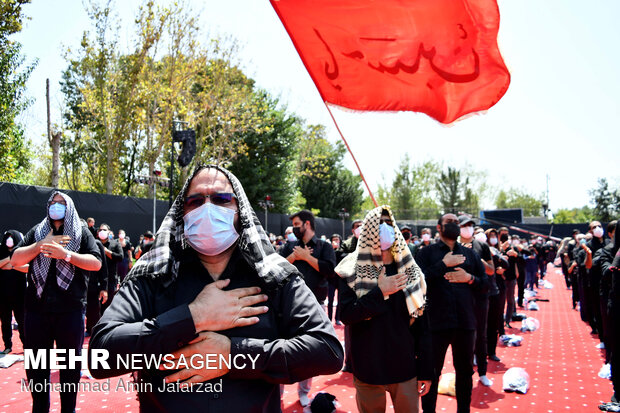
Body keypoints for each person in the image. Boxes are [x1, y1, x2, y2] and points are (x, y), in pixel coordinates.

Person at [89, 165, 343, 412]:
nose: (208, 209)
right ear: (182, 213)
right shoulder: (153, 273)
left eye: (222, 199)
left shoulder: (273, 274)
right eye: (196, 201)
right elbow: (101, 355)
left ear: (239, 210)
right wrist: (194, 317)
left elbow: (327, 350)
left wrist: (233, 355)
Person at [10, 191, 102, 413]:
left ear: (69, 207)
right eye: (53, 203)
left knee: (70, 368)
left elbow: (96, 262)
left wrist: (66, 255)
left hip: (69, 311)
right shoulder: (39, 231)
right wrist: (41, 245)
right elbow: (15, 260)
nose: (56, 206)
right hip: (36, 311)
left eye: (61, 203)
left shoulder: (81, 231)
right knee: (36, 369)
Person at [336, 206, 432, 413]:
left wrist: (426, 369)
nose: (385, 228)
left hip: (404, 366)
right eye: (379, 224)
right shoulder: (350, 270)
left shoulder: (410, 270)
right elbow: (346, 315)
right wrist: (380, 292)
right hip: (368, 368)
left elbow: (422, 324)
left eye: (389, 223)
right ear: (368, 230)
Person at [418, 213, 487, 413]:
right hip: (435, 324)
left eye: (457, 223)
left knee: (465, 373)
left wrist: (469, 278)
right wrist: (443, 265)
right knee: (431, 373)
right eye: (450, 223)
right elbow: (416, 281)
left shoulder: (471, 255)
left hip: (465, 323)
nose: (455, 226)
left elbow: (485, 285)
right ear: (439, 227)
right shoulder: (426, 253)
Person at [279, 209, 338, 406]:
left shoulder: (324, 246)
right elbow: (275, 268)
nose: (294, 229)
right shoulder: (289, 246)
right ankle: (277, 393)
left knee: (310, 351)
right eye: (293, 225)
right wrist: (294, 258)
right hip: (286, 306)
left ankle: (304, 391)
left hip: (315, 307)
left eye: (297, 224)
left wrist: (307, 257)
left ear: (307, 224)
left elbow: (330, 271)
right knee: (280, 348)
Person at [458, 215, 494, 387]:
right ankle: (464, 374)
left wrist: (476, 259)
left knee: (481, 335)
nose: (467, 228)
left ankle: (482, 372)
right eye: (464, 226)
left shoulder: (482, 246)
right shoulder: (453, 246)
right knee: (462, 337)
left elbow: (491, 270)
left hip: (479, 296)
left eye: (470, 225)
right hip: (459, 299)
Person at [0, 230, 29, 353]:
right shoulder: (1, 251)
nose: (9, 240)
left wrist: (11, 265)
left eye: (12, 238)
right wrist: (12, 259)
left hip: (19, 293)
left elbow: (27, 267)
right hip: (2, 294)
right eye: (8, 238)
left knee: (22, 321)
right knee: (5, 321)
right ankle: (7, 345)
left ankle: (26, 345)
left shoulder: (22, 251)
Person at [485, 228, 508, 360]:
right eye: (491, 236)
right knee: (482, 325)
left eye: (495, 235)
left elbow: (506, 264)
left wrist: (496, 256)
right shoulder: (480, 250)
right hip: (482, 290)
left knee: (494, 322)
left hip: (495, 290)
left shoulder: (495, 251)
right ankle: (479, 353)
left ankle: (491, 351)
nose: (493, 238)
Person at [97, 223, 123, 312]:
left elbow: (120, 257)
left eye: (104, 230)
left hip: (111, 280)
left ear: (109, 232)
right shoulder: (94, 243)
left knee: (109, 306)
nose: (102, 232)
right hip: (96, 280)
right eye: (100, 230)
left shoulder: (115, 244)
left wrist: (107, 252)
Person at [327, 233, 344, 325]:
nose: (336, 241)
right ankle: (329, 319)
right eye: (334, 239)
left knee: (340, 300)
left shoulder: (343, 250)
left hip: (340, 279)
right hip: (331, 279)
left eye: (337, 239)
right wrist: (333, 249)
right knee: (330, 300)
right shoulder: (328, 250)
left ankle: (338, 318)